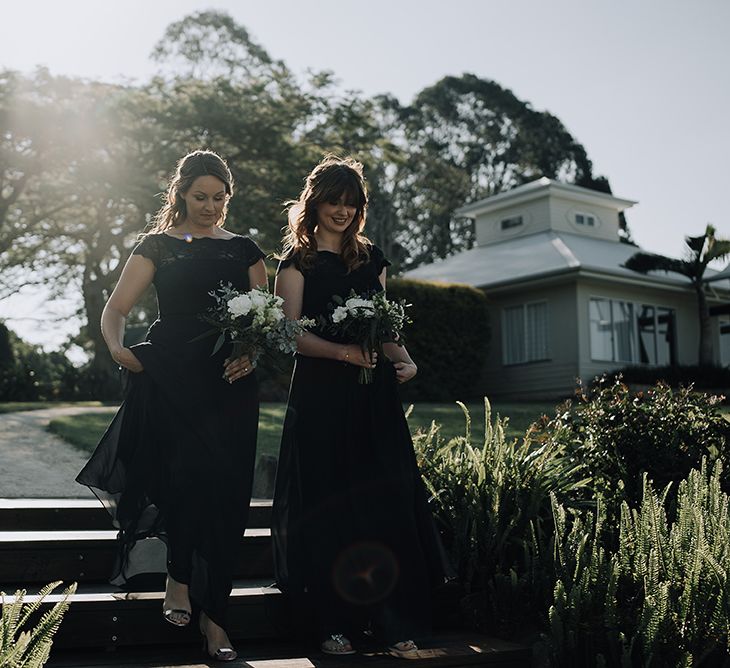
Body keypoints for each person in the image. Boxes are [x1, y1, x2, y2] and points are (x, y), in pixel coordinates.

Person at [77, 150, 266, 662]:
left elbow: (263, 324)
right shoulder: (159, 246)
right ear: (181, 194)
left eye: (219, 198)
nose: (209, 207)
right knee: (184, 482)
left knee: (225, 495)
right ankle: (180, 581)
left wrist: (248, 352)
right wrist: (118, 350)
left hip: (228, 384)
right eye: (200, 196)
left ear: (229, 197)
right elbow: (115, 309)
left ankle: (215, 619)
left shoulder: (246, 250)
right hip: (170, 378)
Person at [271, 155, 451, 657]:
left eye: (352, 204)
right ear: (315, 204)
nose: (343, 211)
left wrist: (405, 358)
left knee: (382, 502)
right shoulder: (295, 263)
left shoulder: (371, 258)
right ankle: (332, 625)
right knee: (329, 507)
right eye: (334, 201)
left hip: (373, 398)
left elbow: (386, 327)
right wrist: (342, 353)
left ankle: (393, 623)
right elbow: (290, 335)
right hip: (321, 399)